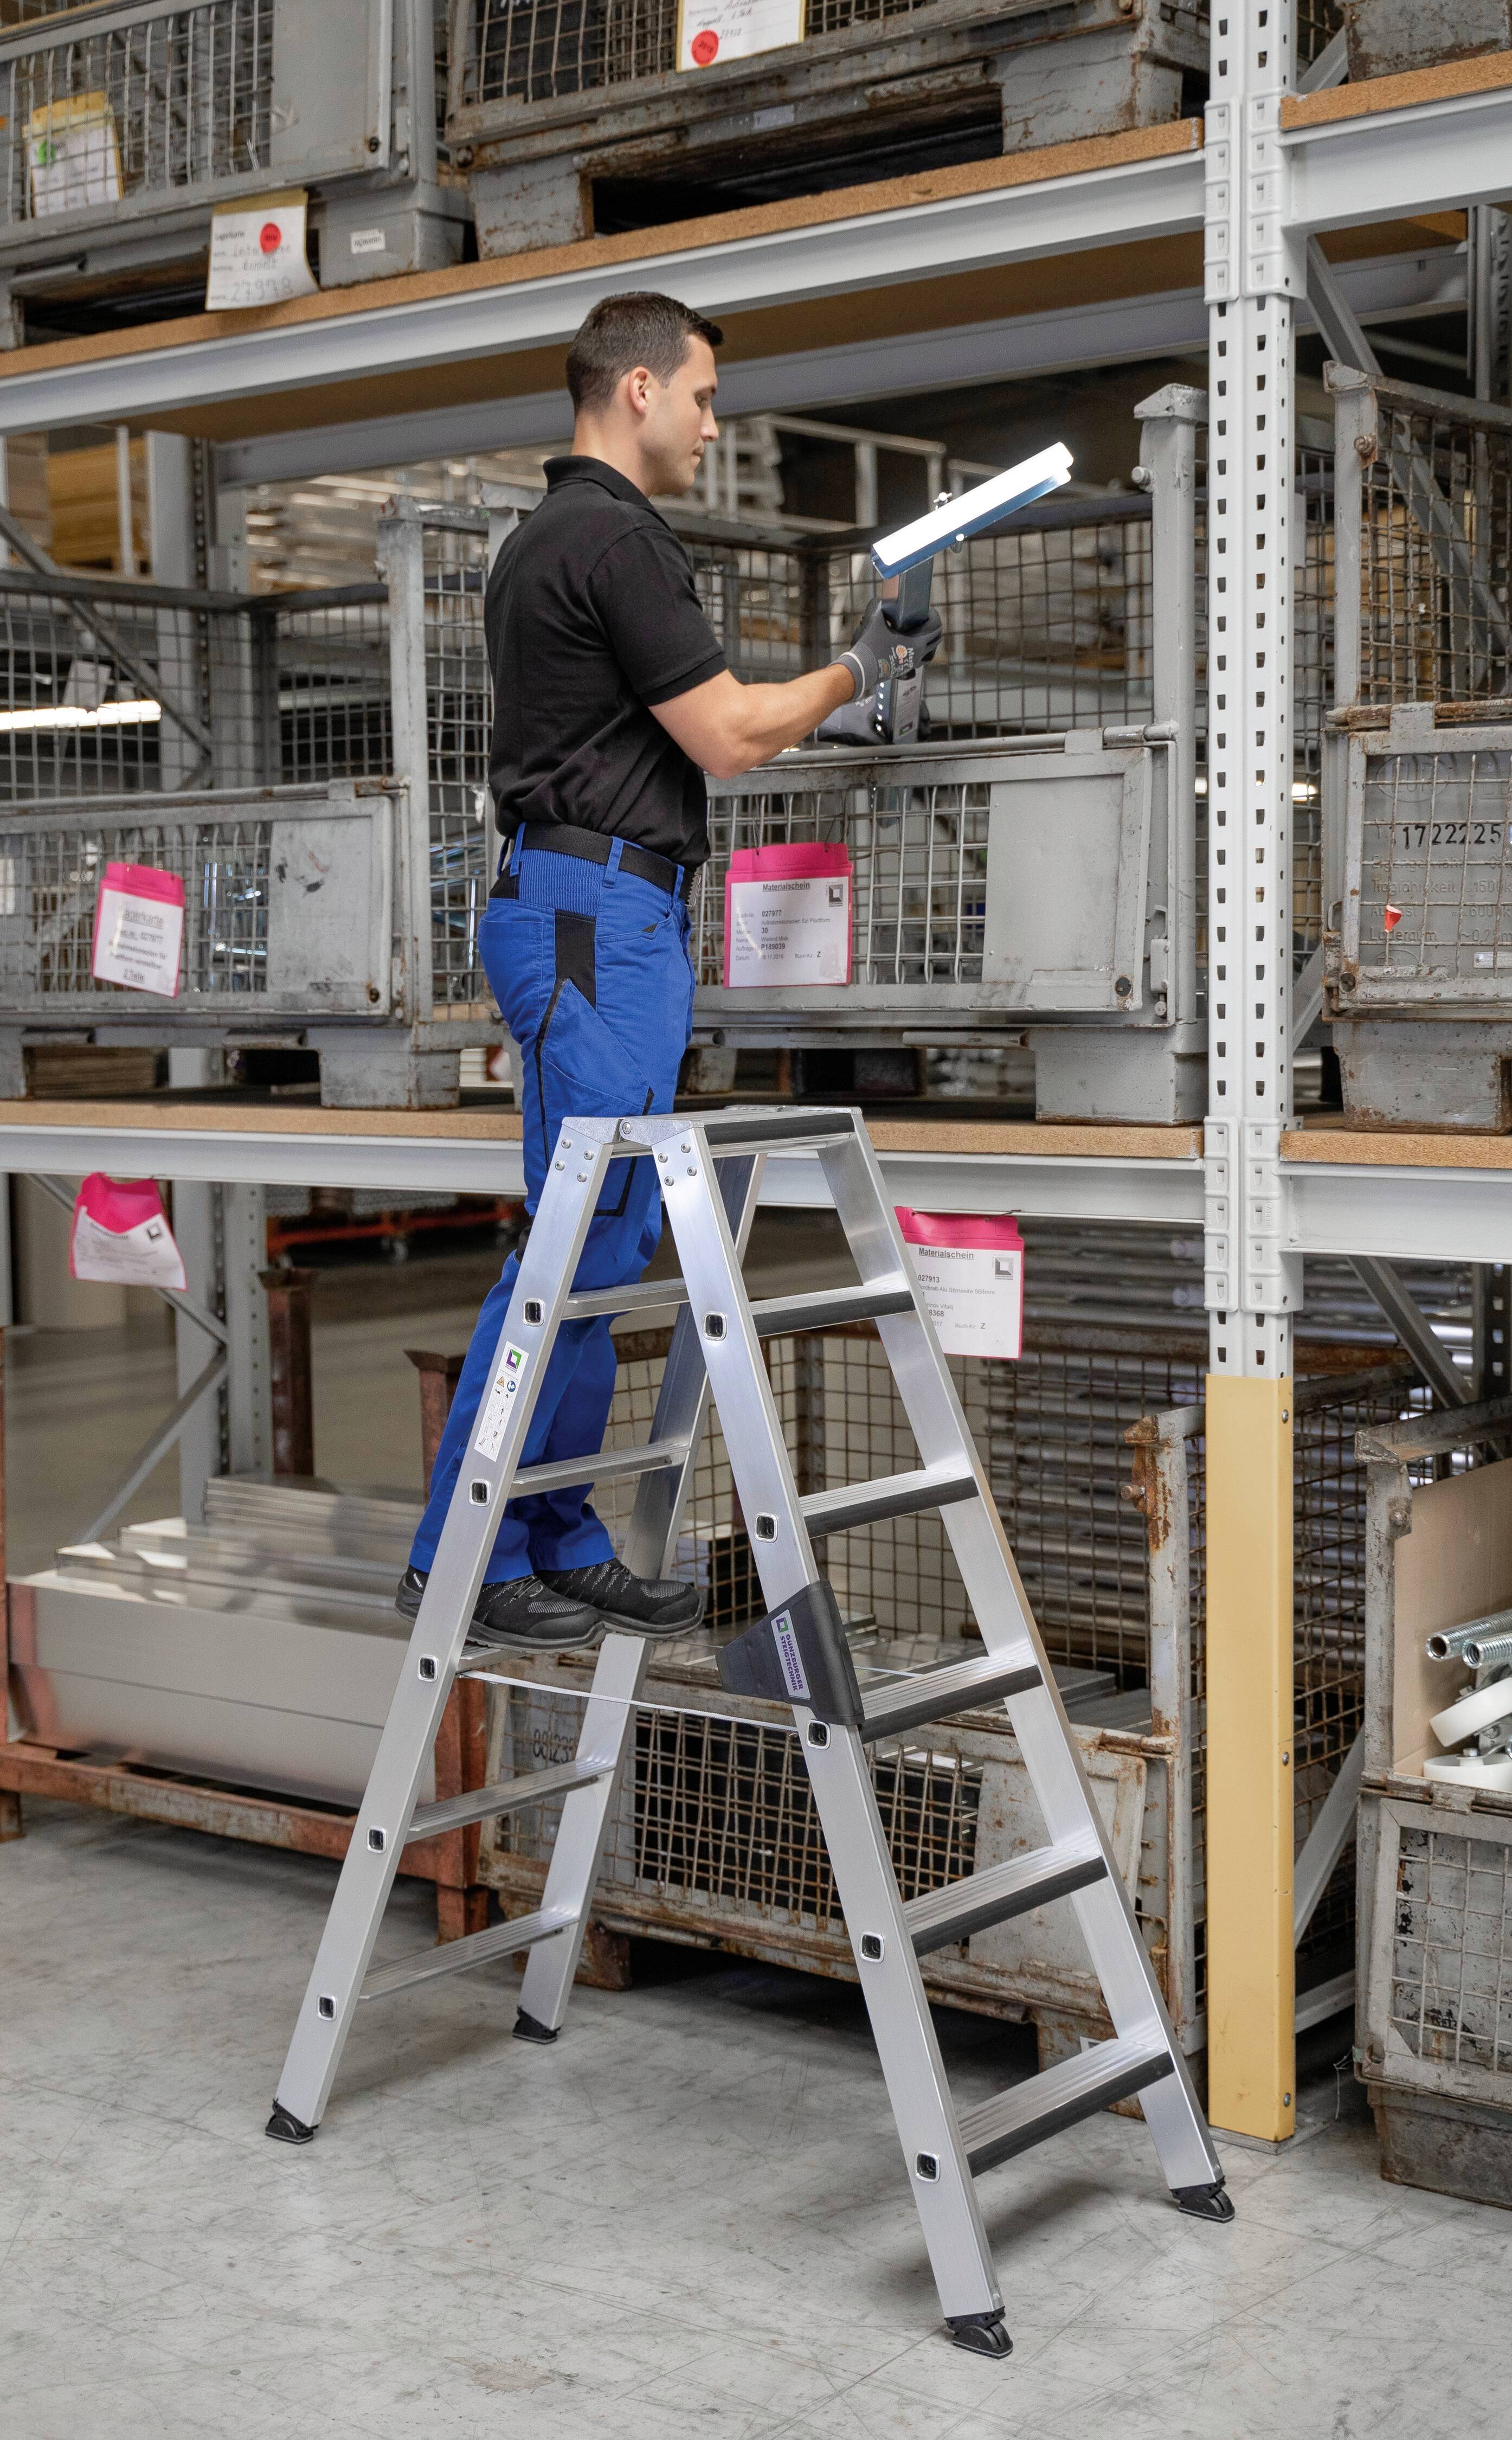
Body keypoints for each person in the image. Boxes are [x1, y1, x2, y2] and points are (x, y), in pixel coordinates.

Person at [397, 290, 942, 1652]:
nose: (714, 421)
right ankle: (456, 1552)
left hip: (596, 914)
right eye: (701, 395)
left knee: (609, 1243)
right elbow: (729, 734)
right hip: (595, 919)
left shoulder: (546, 540)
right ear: (635, 390)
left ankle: (556, 1534)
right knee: (572, 1246)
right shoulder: (616, 541)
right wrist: (858, 667)